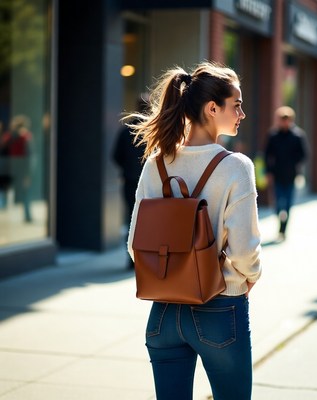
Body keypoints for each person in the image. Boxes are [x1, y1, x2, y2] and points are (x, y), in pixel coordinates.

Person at [126, 62, 262, 400]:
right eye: (237, 104)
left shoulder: (156, 163)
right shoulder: (235, 167)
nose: (242, 113)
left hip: (164, 313)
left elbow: (134, 245)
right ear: (212, 108)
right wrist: (249, 277)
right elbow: (245, 252)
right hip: (219, 308)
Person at [112, 99, 146, 270]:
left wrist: (127, 168)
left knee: (132, 219)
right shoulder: (154, 131)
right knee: (150, 220)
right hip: (150, 183)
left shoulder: (126, 131)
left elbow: (115, 156)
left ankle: (131, 259)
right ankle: (147, 259)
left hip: (130, 181)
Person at [263, 106, 307, 239]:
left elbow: (304, 154)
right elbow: (267, 154)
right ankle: (280, 221)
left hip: (291, 175)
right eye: (282, 120)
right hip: (277, 174)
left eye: (287, 120)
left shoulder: (298, 135)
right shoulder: (273, 135)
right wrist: (268, 171)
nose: (284, 122)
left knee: (288, 203)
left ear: (291, 120)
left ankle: (283, 229)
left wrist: (294, 162)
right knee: (278, 203)